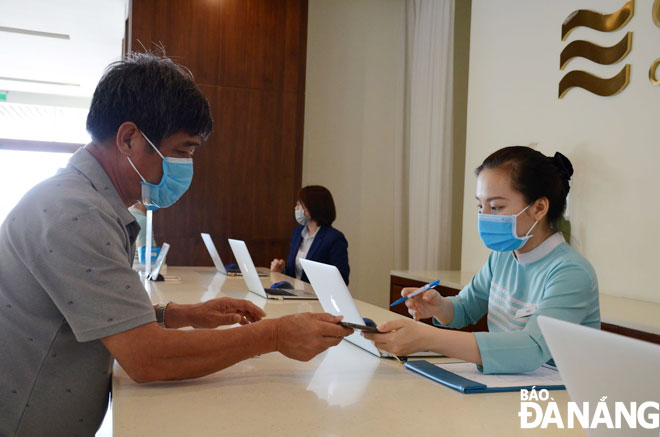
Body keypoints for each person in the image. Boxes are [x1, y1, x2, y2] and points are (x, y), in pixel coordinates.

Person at [0, 52, 352, 437]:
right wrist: (275, 335)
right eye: (182, 151)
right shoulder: (77, 213)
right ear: (129, 138)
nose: (186, 166)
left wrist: (181, 315)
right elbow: (146, 358)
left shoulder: (81, 199)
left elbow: (94, 311)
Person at [364, 146, 600, 374]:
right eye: (480, 205)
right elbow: (465, 308)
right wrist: (439, 306)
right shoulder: (503, 257)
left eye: (496, 207)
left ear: (539, 208)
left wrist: (428, 338)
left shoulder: (571, 272)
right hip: (508, 388)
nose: (484, 216)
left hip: (555, 401)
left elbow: (532, 349)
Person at [270, 185, 350, 284]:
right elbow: (295, 273)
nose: (296, 208)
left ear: (312, 207)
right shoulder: (297, 233)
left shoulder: (334, 238)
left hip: (317, 297)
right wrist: (282, 270)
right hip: (294, 294)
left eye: (299, 204)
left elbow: (342, 279)